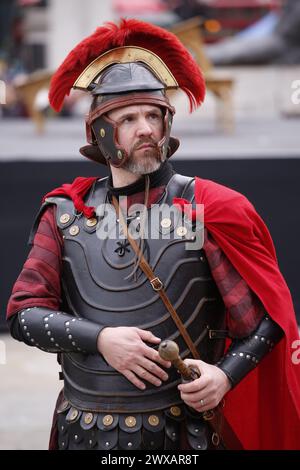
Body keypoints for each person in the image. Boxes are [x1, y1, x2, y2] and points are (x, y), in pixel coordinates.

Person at [6, 18, 300, 450]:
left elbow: (266, 321)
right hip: (85, 431)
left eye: (153, 115)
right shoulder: (66, 212)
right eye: (128, 118)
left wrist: (225, 374)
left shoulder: (210, 209)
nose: (145, 128)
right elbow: (23, 314)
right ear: (101, 133)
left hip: (184, 435)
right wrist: (101, 338)